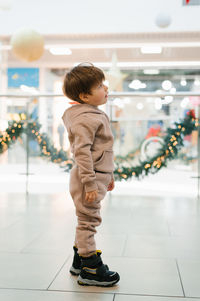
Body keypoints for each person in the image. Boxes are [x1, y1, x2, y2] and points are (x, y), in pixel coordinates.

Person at [62, 63, 120, 287]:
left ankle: (79, 259)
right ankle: (90, 268)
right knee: (88, 222)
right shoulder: (85, 118)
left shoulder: (92, 113)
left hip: (97, 175)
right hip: (89, 178)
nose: (106, 89)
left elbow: (100, 150)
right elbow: (82, 153)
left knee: (85, 219)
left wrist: (109, 175)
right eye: (99, 86)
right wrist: (90, 183)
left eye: (103, 84)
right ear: (85, 96)